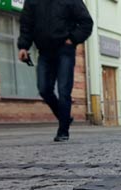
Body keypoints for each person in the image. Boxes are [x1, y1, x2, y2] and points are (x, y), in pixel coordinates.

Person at [18, 0, 93, 142]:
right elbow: (26, 24)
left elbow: (86, 22)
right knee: (44, 88)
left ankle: (63, 131)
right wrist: (23, 46)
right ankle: (65, 117)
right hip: (45, 52)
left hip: (65, 50)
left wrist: (72, 39)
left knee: (64, 90)